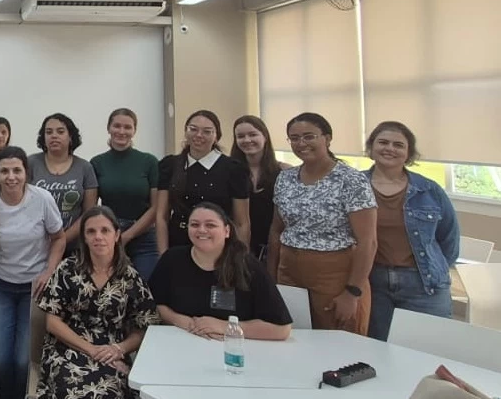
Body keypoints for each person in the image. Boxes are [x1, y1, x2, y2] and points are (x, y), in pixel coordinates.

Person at [38, 206, 159, 399]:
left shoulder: (130, 276)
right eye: (91, 231)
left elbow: (144, 326)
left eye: (105, 230)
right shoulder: (68, 270)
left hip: (113, 350)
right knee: (69, 394)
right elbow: (52, 321)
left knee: (116, 396)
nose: (98, 237)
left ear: (117, 234)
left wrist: (118, 348)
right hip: (68, 348)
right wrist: (89, 348)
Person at [0, 146, 66, 399]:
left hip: (35, 286)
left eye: (17, 170)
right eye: (4, 170)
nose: (11, 176)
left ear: (26, 173)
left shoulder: (42, 199)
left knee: (23, 358)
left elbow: (58, 238)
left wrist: (49, 271)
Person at [269, 113, 377, 334]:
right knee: (292, 336)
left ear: (327, 139)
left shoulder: (351, 180)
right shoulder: (285, 178)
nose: (301, 143)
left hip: (334, 274)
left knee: (335, 342)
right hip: (289, 271)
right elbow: (276, 229)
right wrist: (271, 278)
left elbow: (368, 242)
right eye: (294, 138)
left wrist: (352, 292)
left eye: (309, 136)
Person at [365, 121, 459, 340]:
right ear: (371, 148)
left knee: (430, 347)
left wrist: (439, 269)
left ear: (408, 153)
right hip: (372, 281)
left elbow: (449, 238)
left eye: (398, 145)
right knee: (377, 348)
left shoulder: (429, 190)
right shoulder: (354, 185)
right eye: (383, 142)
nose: (390, 148)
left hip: (424, 284)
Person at [152, 203, 292, 340]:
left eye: (210, 225)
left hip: (234, 348)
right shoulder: (172, 259)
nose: (201, 230)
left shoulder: (248, 266)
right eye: (194, 224)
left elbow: (282, 329)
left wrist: (226, 327)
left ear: (227, 231)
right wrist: (186, 323)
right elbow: (155, 304)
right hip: (181, 342)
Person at [155, 110, 251, 255]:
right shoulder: (170, 165)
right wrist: (163, 253)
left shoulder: (234, 169)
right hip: (178, 243)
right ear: (186, 131)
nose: (199, 135)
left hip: (219, 245)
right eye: (193, 129)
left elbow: (242, 222)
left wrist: (239, 257)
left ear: (216, 137)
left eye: (207, 131)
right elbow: (162, 216)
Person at [89, 108, 160, 280]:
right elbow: (91, 208)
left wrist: (127, 235)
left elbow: (157, 207)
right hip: (108, 237)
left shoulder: (149, 161)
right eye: (117, 126)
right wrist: (112, 235)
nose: (122, 131)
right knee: (110, 291)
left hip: (144, 237)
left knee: (146, 289)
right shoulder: (97, 162)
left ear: (134, 130)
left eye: (127, 127)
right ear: (109, 128)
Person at [29, 114, 98, 252]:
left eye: (60, 131)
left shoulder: (85, 167)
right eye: (48, 132)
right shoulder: (30, 163)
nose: (54, 135)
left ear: (70, 136)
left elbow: (88, 213)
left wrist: (61, 240)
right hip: (35, 246)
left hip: (73, 246)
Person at [230, 115, 290, 260]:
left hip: (274, 249)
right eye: (240, 136)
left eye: (252, 134)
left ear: (265, 137)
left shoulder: (285, 172)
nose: (247, 140)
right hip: (237, 247)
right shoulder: (228, 171)